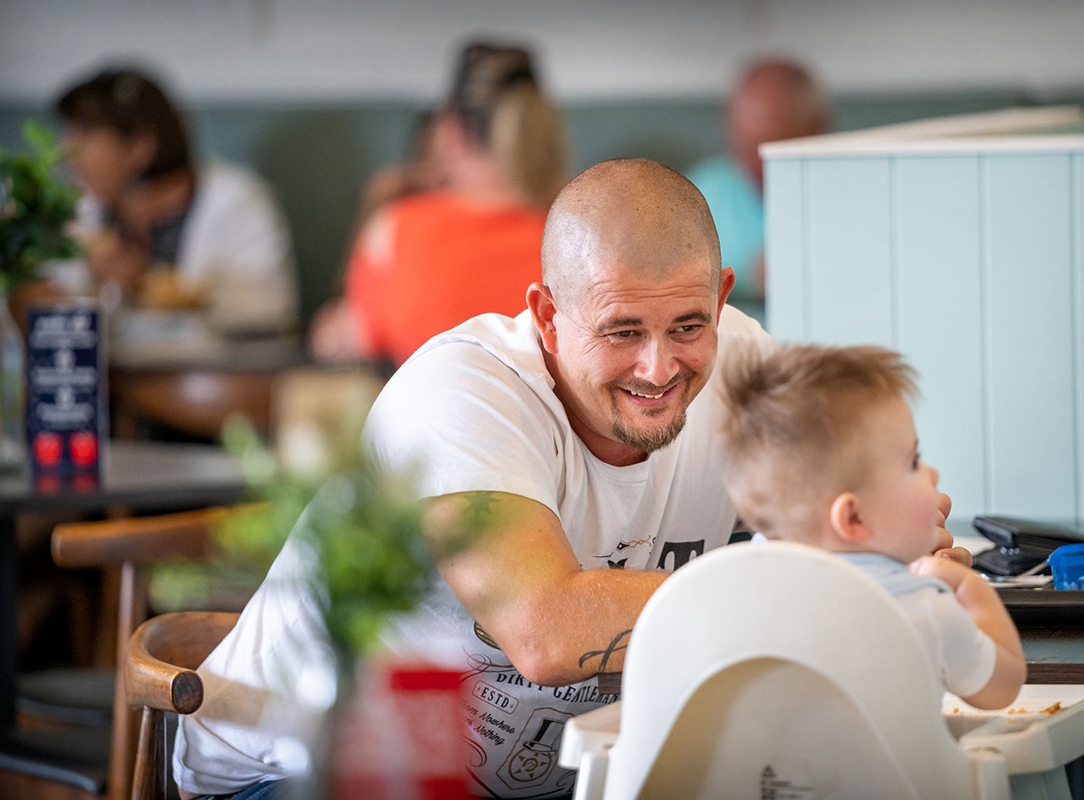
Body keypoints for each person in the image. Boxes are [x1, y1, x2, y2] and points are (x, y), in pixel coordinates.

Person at [174, 159, 971, 800]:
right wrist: (821, 580)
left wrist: (892, 542)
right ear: (549, 316)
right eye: (622, 331)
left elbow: (865, 519)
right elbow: (548, 631)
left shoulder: (746, 367)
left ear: (722, 301)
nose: (660, 367)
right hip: (290, 771)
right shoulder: (461, 393)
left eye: (689, 327)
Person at [719, 343, 1025, 709]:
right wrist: (972, 589)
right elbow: (1002, 688)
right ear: (854, 518)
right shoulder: (924, 611)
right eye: (913, 462)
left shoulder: (734, 603)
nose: (933, 474)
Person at [309, 41, 567, 366]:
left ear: (451, 132)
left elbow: (337, 340)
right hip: (545, 416)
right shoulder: (574, 230)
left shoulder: (398, 226)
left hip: (426, 413)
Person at [56, 67, 299, 333]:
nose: (67, 151)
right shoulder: (83, 208)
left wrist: (149, 282)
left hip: (215, 372)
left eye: (85, 135)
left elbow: (272, 309)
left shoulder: (238, 202)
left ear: (140, 147)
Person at [687, 58, 830, 308]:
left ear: (816, 129)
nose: (752, 161)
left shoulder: (852, 196)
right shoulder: (701, 192)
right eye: (742, 144)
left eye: (768, 145)